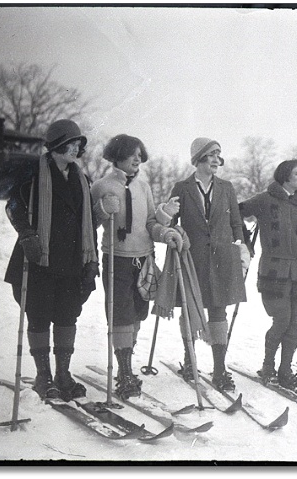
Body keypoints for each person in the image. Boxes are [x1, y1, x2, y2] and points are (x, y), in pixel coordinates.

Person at [4, 119, 99, 401]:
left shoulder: (82, 180)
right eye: (70, 143)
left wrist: (92, 259)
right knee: (40, 314)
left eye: (78, 144)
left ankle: (63, 374)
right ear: (56, 145)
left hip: (71, 261)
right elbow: (13, 206)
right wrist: (27, 235)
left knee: (68, 316)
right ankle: (43, 376)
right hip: (39, 260)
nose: (75, 148)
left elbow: (89, 221)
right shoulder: (33, 174)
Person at [90, 134, 184, 399]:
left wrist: (165, 232)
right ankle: (125, 372)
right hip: (116, 259)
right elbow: (89, 224)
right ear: (117, 155)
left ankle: (126, 366)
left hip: (144, 259)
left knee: (138, 314)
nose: (138, 159)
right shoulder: (101, 186)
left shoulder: (144, 186)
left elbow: (151, 223)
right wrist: (101, 210)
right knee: (121, 314)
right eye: (132, 154)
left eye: (140, 154)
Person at [163, 137, 249, 392]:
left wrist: (241, 247)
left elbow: (236, 222)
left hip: (223, 258)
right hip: (192, 257)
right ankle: (190, 362)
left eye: (218, 154)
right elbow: (169, 222)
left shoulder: (226, 187)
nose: (216, 159)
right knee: (190, 309)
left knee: (218, 311)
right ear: (198, 158)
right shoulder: (182, 187)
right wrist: (171, 229)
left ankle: (220, 369)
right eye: (211, 154)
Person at [239, 159, 297, 391]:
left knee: (294, 324)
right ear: (285, 174)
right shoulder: (265, 200)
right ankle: (268, 367)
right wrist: (244, 238)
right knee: (282, 320)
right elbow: (236, 213)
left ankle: (285, 371)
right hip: (274, 270)